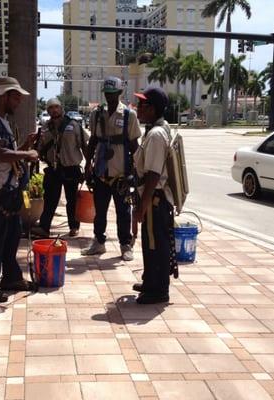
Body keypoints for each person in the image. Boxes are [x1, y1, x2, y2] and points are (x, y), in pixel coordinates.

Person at [0, 76, 39, 303]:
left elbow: (6, 157)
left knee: (11, 238)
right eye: (16, 96)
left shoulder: (2, 121)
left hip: (9, 192)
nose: (19, 101)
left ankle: (11, 278)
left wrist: (23, 147)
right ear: (3, 96)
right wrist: (26, 154)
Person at [82, 76, 142, 261]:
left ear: (120, 93)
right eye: (107, 94)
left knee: (123, 212)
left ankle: (125, 245)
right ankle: (99, 242)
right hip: (101, 173)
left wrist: (139, 169)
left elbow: (133, 144)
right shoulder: (97, 114)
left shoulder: (128, 115)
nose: (109, 97)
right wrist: (87, 165)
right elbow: (92, 141)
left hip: (121, 174)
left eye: (113, 94)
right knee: (99, 211)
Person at [132, 86, 177, 304]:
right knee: (152, 242)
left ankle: (158, 290)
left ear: (153, 109)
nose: (138, 108)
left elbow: (153, 174)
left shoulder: (157, 134)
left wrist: (142, 205)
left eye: (142, 104)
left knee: (155, 244)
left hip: (155, 198)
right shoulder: (157, 129)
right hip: (155, 198)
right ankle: (151, 280)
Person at [32, 98, 88, 238]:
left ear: (61, 108)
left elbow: (84, 145)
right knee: (50, 199)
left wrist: (89, 165)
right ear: (48, 110)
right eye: (51, 107)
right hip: (53, 168)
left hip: (71, 168)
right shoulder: (45, 127)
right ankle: (44, 228)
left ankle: (74, 226)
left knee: (72, 200)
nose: (54, 110)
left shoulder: (74, 125)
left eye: (57, 106)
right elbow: (39, 148)